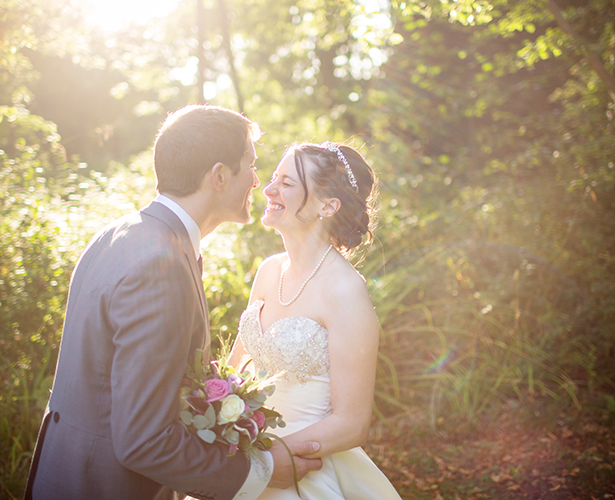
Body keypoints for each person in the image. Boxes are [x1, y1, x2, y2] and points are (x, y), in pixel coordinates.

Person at [24, 105, 322, 500]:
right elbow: (144, 440)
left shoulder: (120, 234)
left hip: (65, 474)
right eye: (250, 165)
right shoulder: (158, 266)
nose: (257, 182)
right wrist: (260, 471)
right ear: (218, 176)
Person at [227, 142, 401, 499]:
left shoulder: (346, 291)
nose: (269, 189)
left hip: (301, 467)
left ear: (328, 205)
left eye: (287, 183)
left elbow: (352, 423)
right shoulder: (267, 270)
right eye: (273, 178)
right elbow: (234, 372)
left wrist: (272, 460)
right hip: (240, 459)